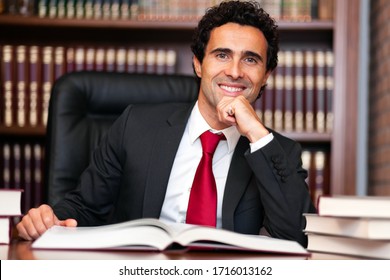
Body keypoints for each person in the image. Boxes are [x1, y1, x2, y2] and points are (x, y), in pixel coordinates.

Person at [17, 0, 316, 247]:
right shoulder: (135, 126)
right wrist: (48, 219)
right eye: (222, 55)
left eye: (250, 60)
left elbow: (297, 236)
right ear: (198, 63)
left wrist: (256, 134)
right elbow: (84, 208)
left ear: (266, 75)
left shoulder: (279, 152)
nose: (234, 71)